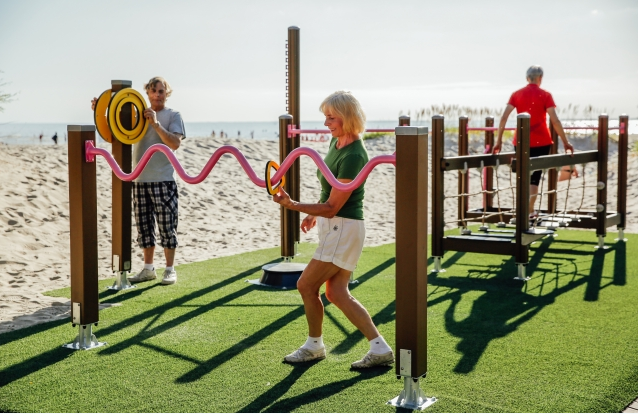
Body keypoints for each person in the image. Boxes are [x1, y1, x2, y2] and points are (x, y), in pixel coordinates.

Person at [272, 91, 394, 368]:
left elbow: (333, 206)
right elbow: (330, 193)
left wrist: (294, 205)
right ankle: (380, 348)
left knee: (306, 284)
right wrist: (314, 215)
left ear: (347, 117)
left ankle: (314, 346)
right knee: (337, 293)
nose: (326, 122)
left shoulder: (354, 154)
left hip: (343, 226)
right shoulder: (336, 142)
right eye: (325, 116)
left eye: (331, 117)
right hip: (337, 225)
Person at [91, 77, 185, 285]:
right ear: (147, 93)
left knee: (167, 226)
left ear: (166, 93)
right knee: (144, 227)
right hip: (140, 179)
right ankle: (148, 268)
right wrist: (100, 110)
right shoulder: (138, 114)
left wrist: (156, 124)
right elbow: (116, 130)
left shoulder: (173, 115)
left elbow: (175, 143)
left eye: (161, 91)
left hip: (163, 179)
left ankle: (169, 269)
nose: (157, 95)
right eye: (153, 91)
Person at [492, 65, 574, 217]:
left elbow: (504, 117)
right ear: (540, 78)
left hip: (521, 141)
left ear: (526, 78)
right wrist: (565, 142)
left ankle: (525, 211)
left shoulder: (516, 94)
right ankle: (529, 211)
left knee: (523, 177)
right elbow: (554, 120)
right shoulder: (546, 95)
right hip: (542, 142)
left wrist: (498, 141)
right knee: (534, 179)